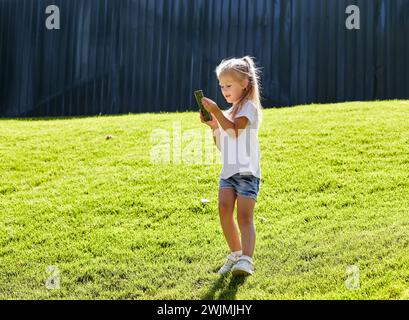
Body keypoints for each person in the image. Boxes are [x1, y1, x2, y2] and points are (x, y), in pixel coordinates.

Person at [199, 56, 263, 276]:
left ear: (244, 84)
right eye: (221, 86)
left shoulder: (248, 108)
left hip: (246, 172)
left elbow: (236, 131)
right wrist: (213, 126)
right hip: (228, 172)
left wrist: (217, 112)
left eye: (228, 86)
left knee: (244, 216)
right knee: (224, 210)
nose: (224, 91)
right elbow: (223, 145)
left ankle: (246, 259)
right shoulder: (229, 112)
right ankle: (235, 253)